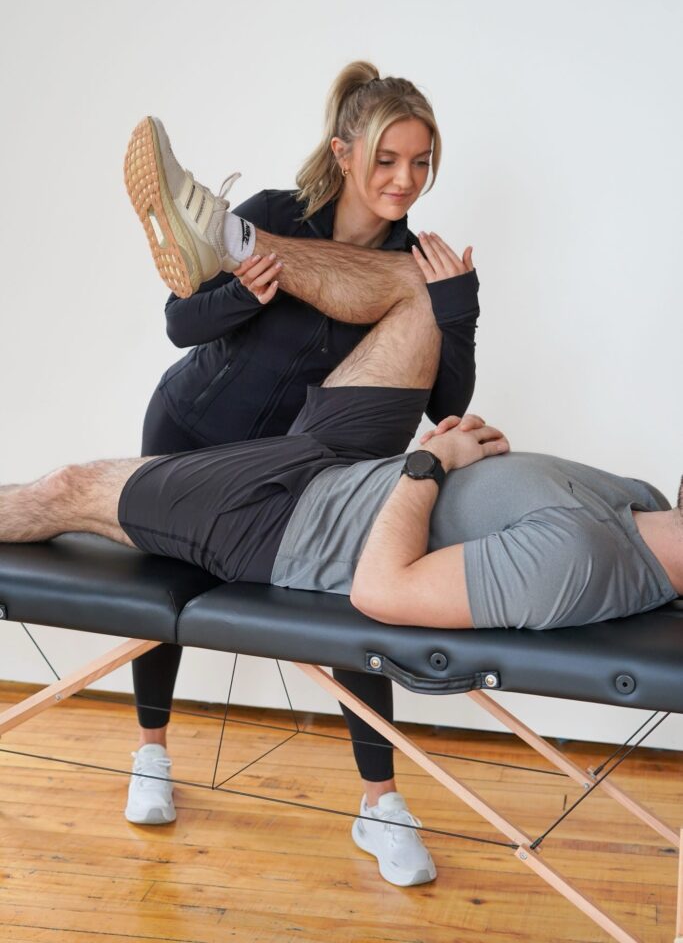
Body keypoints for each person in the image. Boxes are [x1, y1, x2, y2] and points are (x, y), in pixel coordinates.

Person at [2, 218, 681, 888]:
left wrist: (428, 462)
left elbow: (381, 591)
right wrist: (457, 450)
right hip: (334, 459)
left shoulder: (581, 563)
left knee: (69, 489)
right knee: (417, 292)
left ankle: (222, 232)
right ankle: (229, 234)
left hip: (281, 519)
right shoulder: (640, 500)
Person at [123, 61, 480, 866]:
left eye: (421, 163)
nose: (405, 179)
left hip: (293, 469)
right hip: (190, 426)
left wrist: (457, 304)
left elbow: (442, 399)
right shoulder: (272, 217)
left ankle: (381, 807)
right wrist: (242, 296)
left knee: (355, 613)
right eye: (387, 159)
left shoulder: (416, 267)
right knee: (155, 595)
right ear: (344, 153)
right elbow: (182, 322)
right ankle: (150, 753)